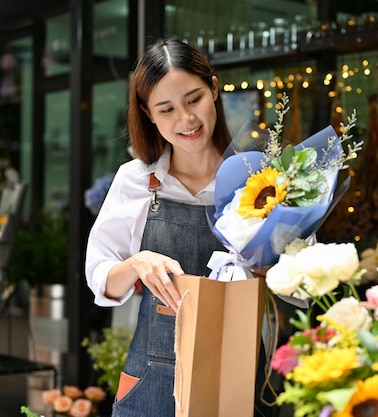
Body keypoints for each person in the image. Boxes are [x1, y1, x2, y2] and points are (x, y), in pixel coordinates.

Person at [85, 38, 274, 417]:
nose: (186, 120)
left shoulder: (261, 180)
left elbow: (300, 284)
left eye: (194, 100)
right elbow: (100, 277)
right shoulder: (137, 180)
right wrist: (138, 263)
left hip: (237, 377)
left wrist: (270, 271)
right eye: (166, 109)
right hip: (152, 383)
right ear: (148, 113)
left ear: (214, 89)